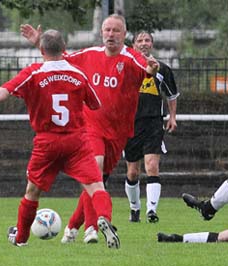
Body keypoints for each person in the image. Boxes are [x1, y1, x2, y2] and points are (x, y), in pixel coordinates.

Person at [0, 29, 120, 249]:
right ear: (64, 48)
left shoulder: (34, 73)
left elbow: (6, 89)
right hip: (76, 141)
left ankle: (20, 238)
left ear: (41, 50)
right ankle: (104, 218)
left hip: (47, 142)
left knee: (32, 191)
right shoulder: (78, 74)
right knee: (95, 185)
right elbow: (95, 104)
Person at [20, 14, 159, 244]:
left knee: (97, 183)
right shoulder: (89, 54)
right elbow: (59, 56)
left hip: (118, 133)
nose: (110, 35)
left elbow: (146, 69)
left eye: (115, 31)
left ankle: (72, 228)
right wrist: (38, 42)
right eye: (107, 30)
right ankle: (92, 228)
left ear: (124, 35)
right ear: (101, 33)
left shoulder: (130, 57)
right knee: (96, 170)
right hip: (89, 127)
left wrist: (152, 69)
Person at [124, 31, 179, 223]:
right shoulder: (127, 67)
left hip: (154, 123)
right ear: (133, 45)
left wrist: (172, 117)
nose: (144, 43)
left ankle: (151, 211)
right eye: (140, 40)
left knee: (152, 166)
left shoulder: (162, 69)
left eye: (147, 40)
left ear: (152, 45)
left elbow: (172, 95)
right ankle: (134, 208)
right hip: (130, 124)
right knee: (132, 172)